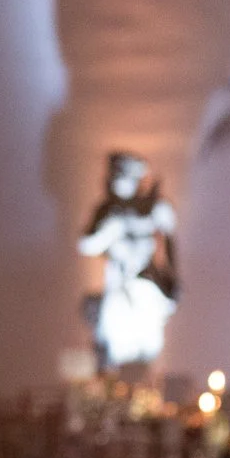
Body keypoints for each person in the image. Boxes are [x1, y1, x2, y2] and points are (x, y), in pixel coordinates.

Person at [79, 150, 178, 370]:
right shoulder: (108, 212)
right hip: (117, 284)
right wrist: (111, 229)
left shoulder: (156, 209)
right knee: (115, 340)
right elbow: (86, 244)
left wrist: (171, 282)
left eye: (121, 176)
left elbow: (171, 242)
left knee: (147, 345)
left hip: (146, 283)